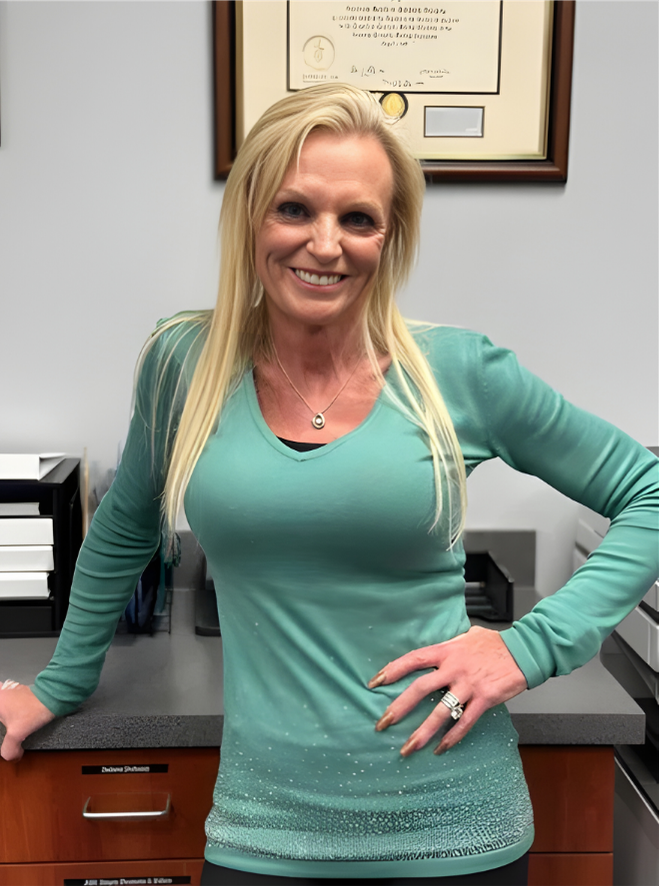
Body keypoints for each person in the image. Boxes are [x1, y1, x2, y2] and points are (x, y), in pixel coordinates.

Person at [0, 84, 657, 886]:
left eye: (357, 219)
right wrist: (57, 687)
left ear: (390, 238)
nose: (324, 244)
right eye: (293, 209)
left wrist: (531, 645)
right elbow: (124, 526)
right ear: (249, 218)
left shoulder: (460, 371)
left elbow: (647, 491)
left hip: (455, 828)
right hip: (263, 831)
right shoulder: (183, 363)